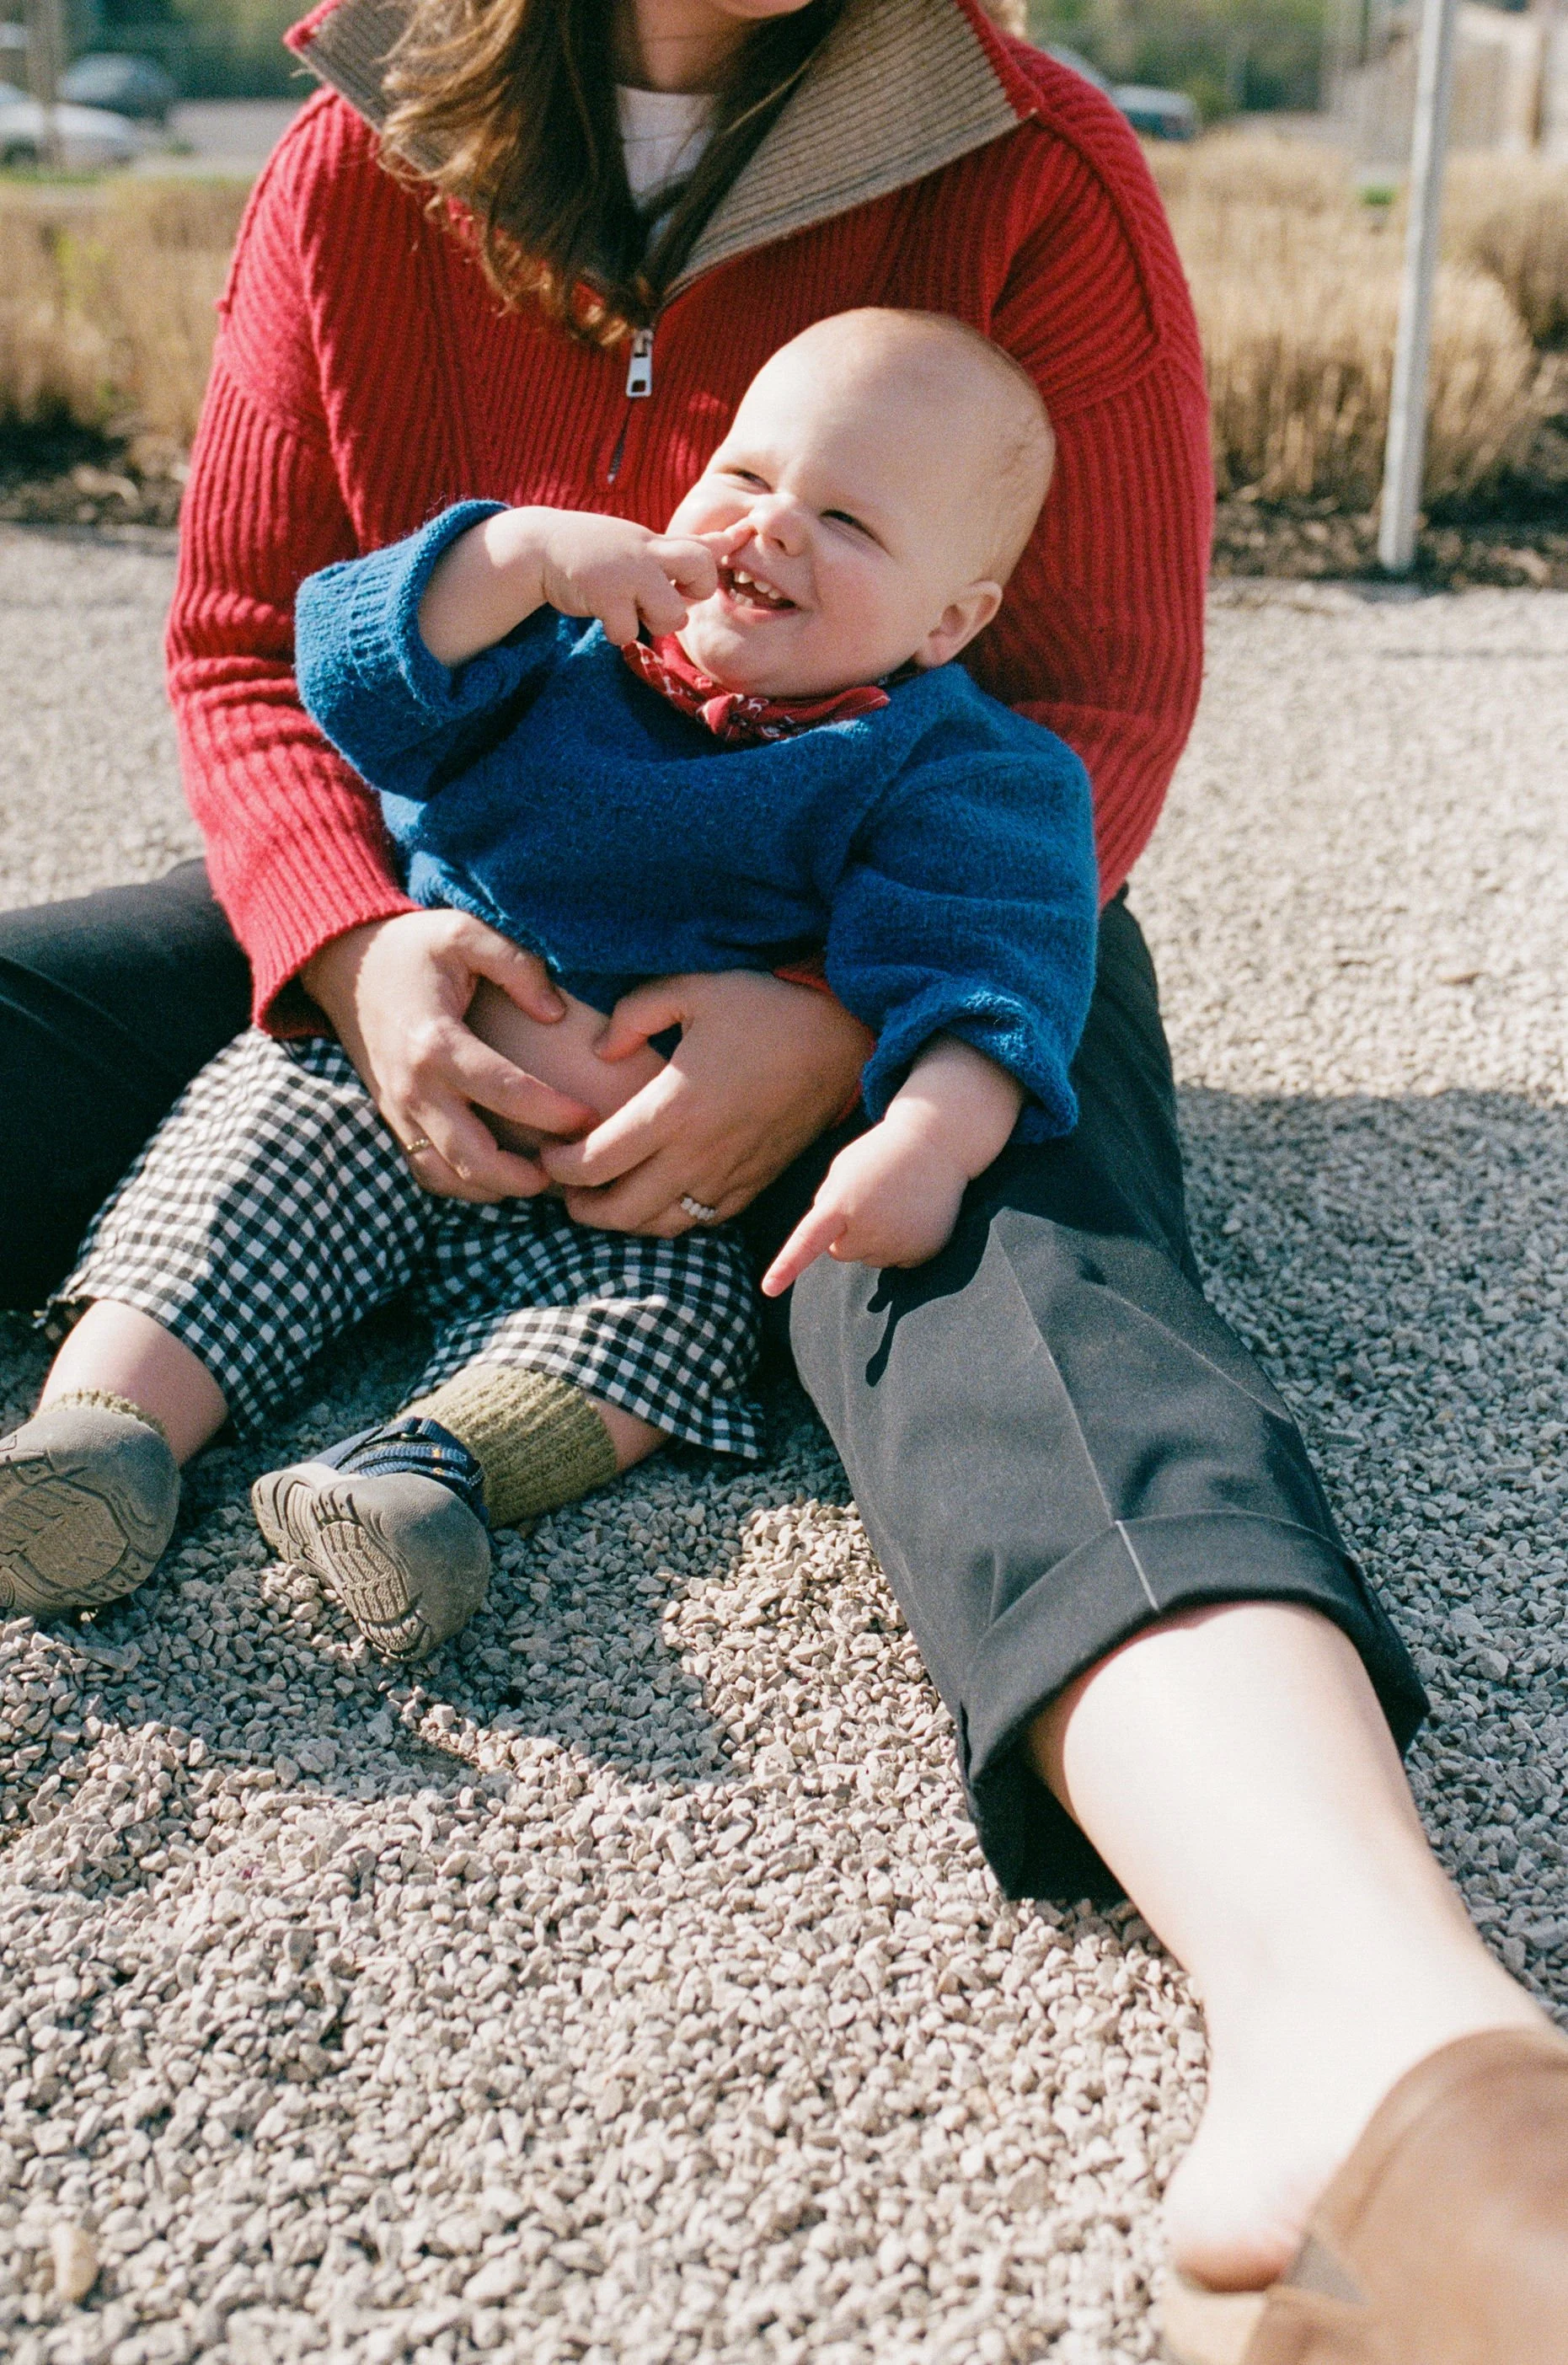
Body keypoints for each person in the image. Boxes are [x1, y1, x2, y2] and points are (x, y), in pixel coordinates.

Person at [0, 0, 1563, 2348]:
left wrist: (844, 1035)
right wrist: (351, 946)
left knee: (1014, 1258)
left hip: (916, 910)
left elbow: (1096, 706)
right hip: (466, 871)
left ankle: (1381, 2044)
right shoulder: (362, 140)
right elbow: (251, 649)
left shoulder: (1029, 169)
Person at [3, 310, 1098, 1675]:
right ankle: (100, 1434)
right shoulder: (579, 636)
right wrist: (511, 556)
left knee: (679, 1322)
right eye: (749, 479)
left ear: (951, 617)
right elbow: (351, 676)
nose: (771, 530)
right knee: (243, 1157)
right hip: (385, 1087)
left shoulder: (952, 766)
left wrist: (927, 1142)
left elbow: (991, 970)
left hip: (637, 1191)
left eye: (851, 522)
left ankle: (427, 1478)